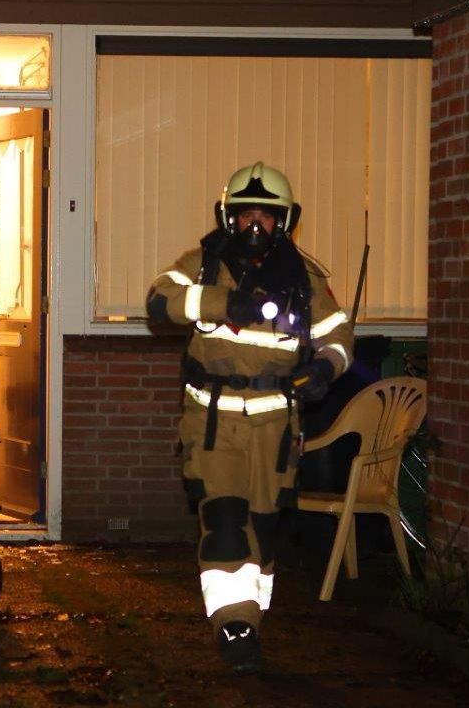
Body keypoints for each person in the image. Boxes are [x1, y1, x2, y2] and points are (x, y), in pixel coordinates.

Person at [145, 162, 354, 674]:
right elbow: (157, 301)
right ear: (227, 217)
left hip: (276, 429)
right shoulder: (199, 265)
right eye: (244, 216)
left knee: (262, 531)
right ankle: (234, 627)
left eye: (266, 216)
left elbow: (339, 336)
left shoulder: (306, 279)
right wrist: (222, 302)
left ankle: (250, 615)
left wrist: (325, 369)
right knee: (224, 525)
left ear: (285, 221)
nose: (254, 227)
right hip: (212, 423)